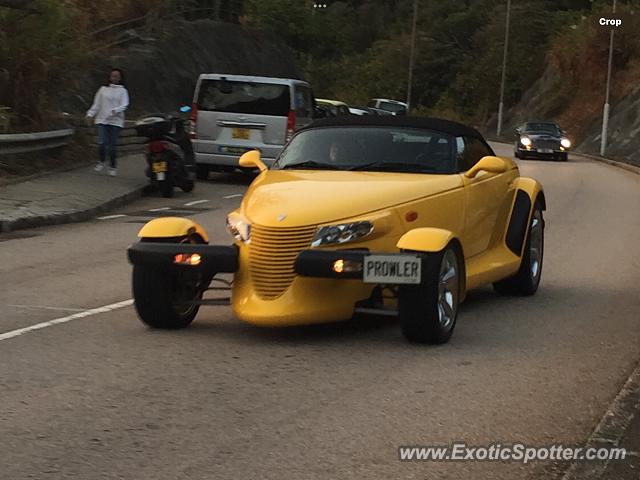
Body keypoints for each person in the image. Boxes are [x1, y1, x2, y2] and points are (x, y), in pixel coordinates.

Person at [86, 68, 129, 176]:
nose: (114, 78)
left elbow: (125, 104)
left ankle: (113, 166)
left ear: (120, 78)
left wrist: (116, 110)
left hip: (116, 121)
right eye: (113, 76)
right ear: (109, 77)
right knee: (102, 142)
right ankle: (101, 161)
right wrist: (90, 114)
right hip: (102, 120)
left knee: (112, 146)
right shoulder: (103, 89)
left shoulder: (123, 91)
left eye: (117, 76)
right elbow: (97, 104)